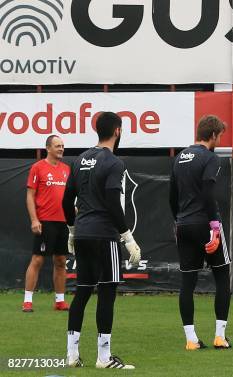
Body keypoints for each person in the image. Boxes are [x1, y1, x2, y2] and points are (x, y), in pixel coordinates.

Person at [62, 112, 141, 369]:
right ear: (117, 130)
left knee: (82, 293)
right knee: (107, 293)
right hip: (104, 235)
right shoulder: (114, 162)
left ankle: (72, 356)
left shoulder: (80, 159)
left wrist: (72, 231)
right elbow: (111, 202)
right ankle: (104, 358)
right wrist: (127, 237)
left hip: (83, 233)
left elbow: (66, 201)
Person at [169, 115, 232, 350]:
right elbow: (208, 193)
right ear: (214, 135)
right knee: (222, 277)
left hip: (184, 224)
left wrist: (177, 221)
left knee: (187, 282)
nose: (219, 140)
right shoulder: (210, 157)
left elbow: (171, 196)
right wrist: (214, 226)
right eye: (220, 136)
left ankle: (191, 339)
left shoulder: (179, 158)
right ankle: (219, 336)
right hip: (205, 224)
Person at [23, 135, 71, 312]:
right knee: (37, 259)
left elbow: (70, 196)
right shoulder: (38, 168)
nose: (61, 149)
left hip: (63, 222)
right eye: (58, 146)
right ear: (48, 148)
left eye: (63, 146)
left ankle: (60, 301)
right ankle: (27, 301)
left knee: (60, 261)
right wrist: (34, 219)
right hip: (44, 221)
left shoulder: (67, 169)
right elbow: (30, 195)